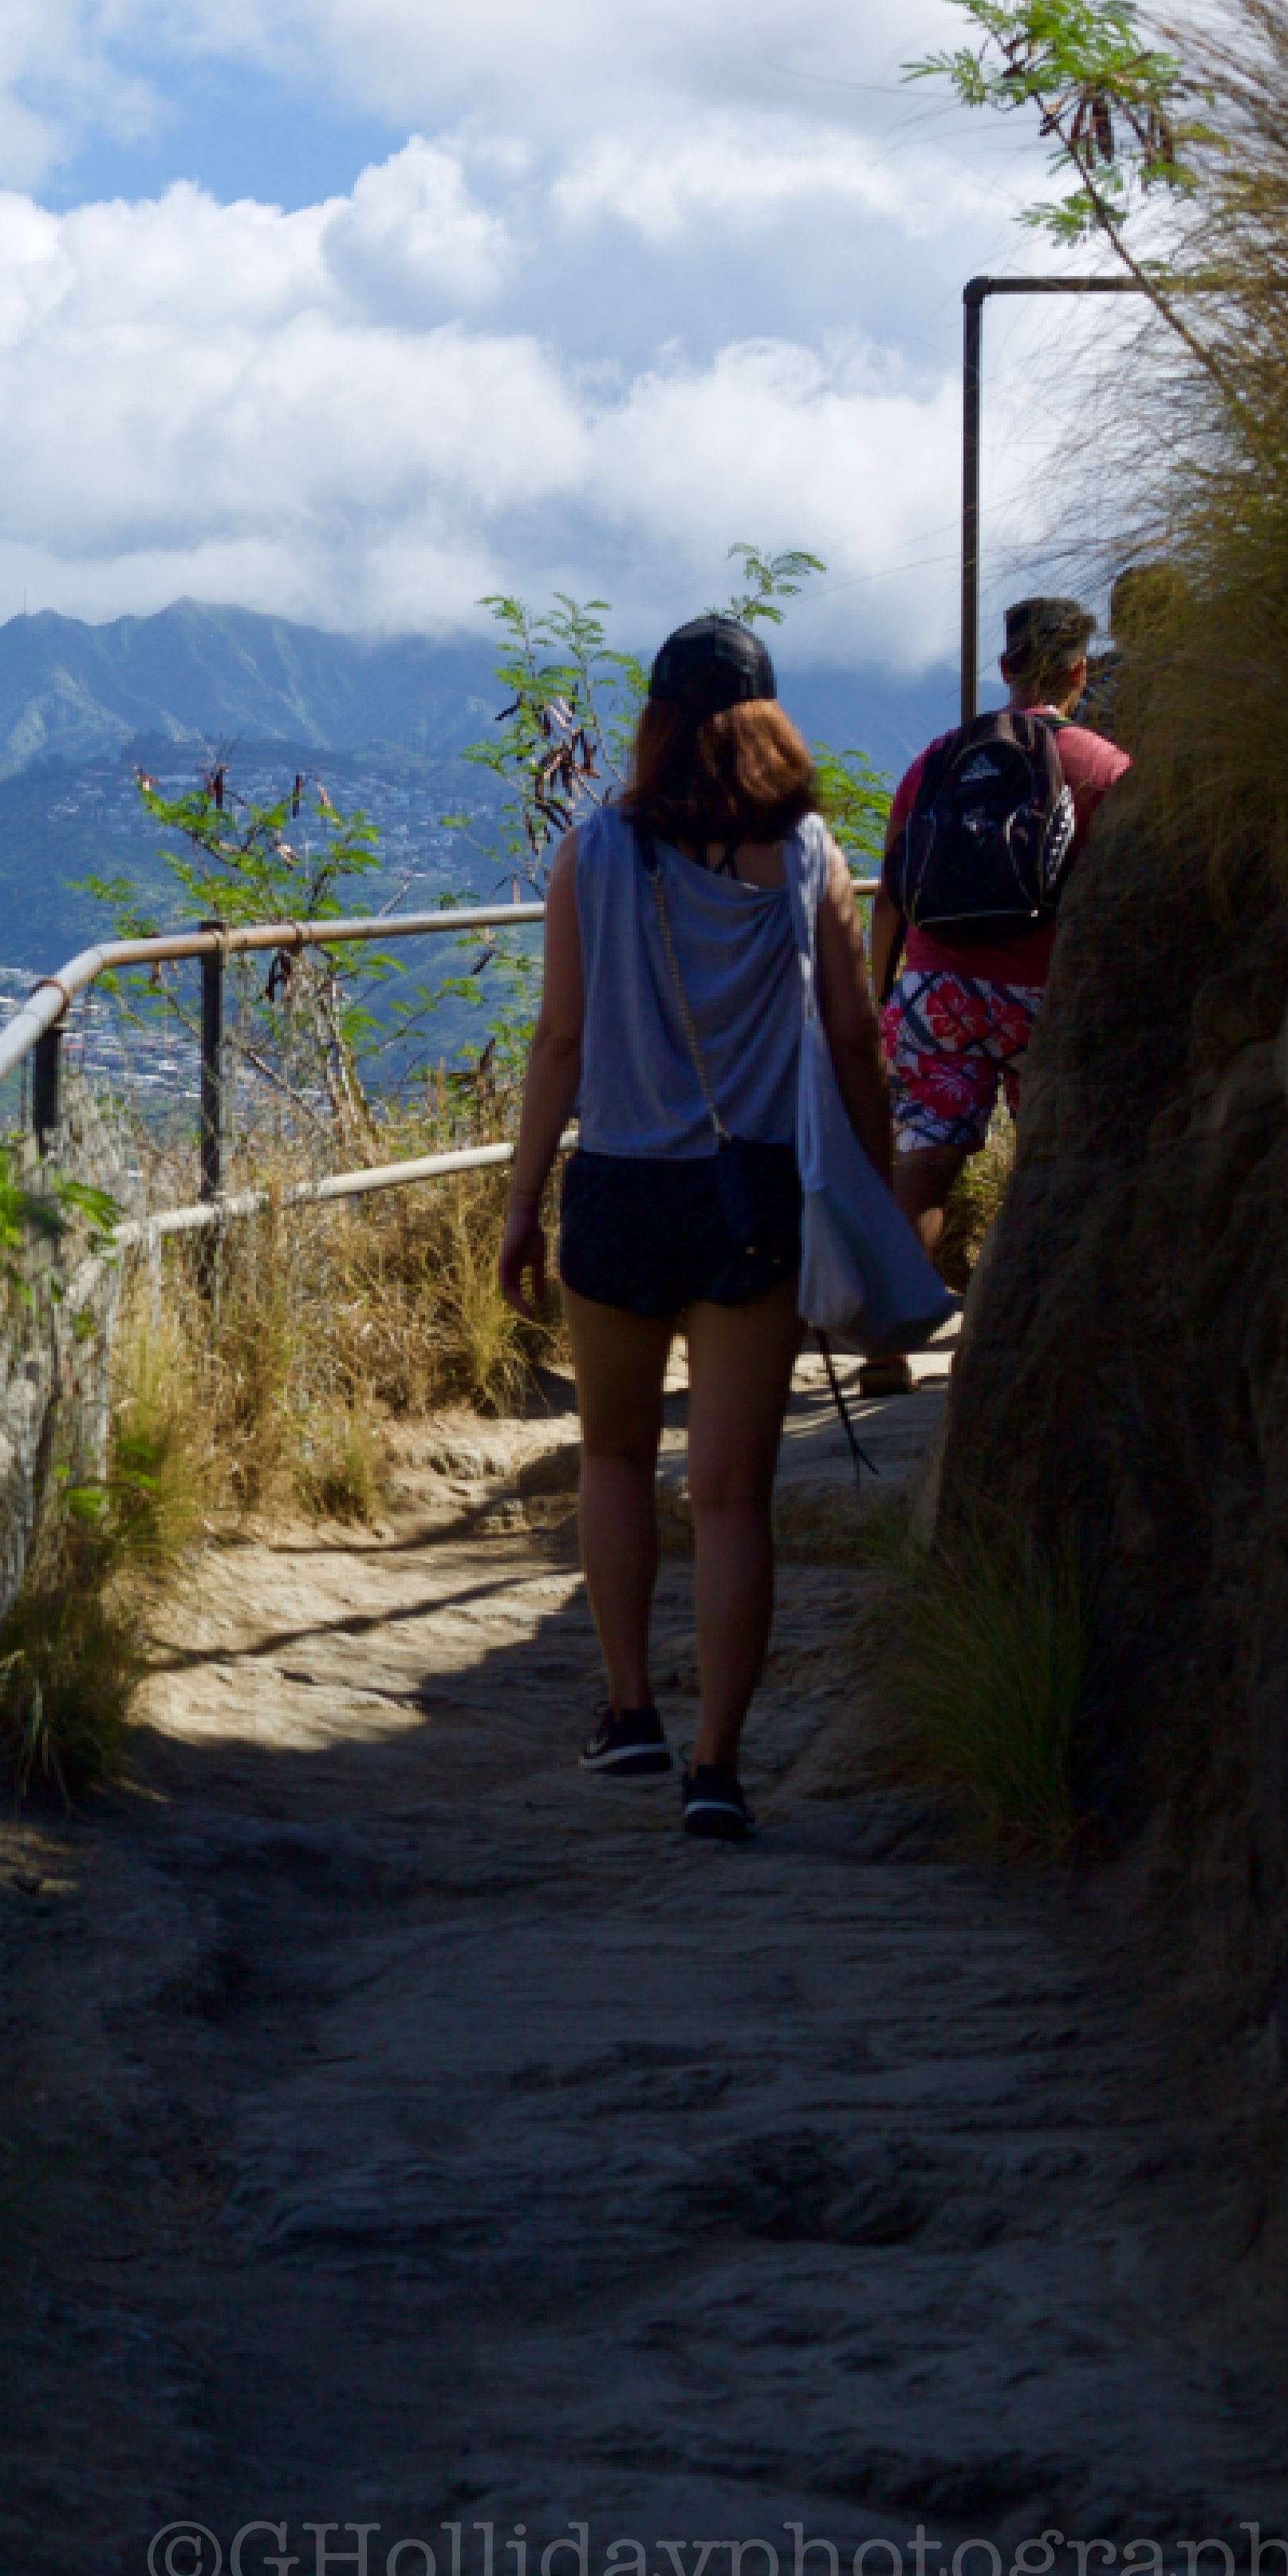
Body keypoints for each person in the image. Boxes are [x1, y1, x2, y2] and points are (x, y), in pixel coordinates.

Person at [495, 617, 891, 1844]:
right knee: (730, 1499)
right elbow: (854, 1037)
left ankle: (630, 1712)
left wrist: (519, 1204)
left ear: (658, 720)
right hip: (755, 1196)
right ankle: (717, 1769)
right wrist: (876, 1191)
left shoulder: (593, 853)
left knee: (615, 1458)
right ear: (771, 719)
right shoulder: (810, 856)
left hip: (620, 1186)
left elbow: (561, 1042)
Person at [865, 594, 1132, 1304]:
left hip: (938, 992)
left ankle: (888, 1329)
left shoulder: (938, 759)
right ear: (1080, 673)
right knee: (1048, 1164)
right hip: (1047, 995)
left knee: (925, 1162)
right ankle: (1015, 1327)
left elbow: (891, 892)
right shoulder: (1103, 764)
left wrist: (884, 994)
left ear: (1006, 666)